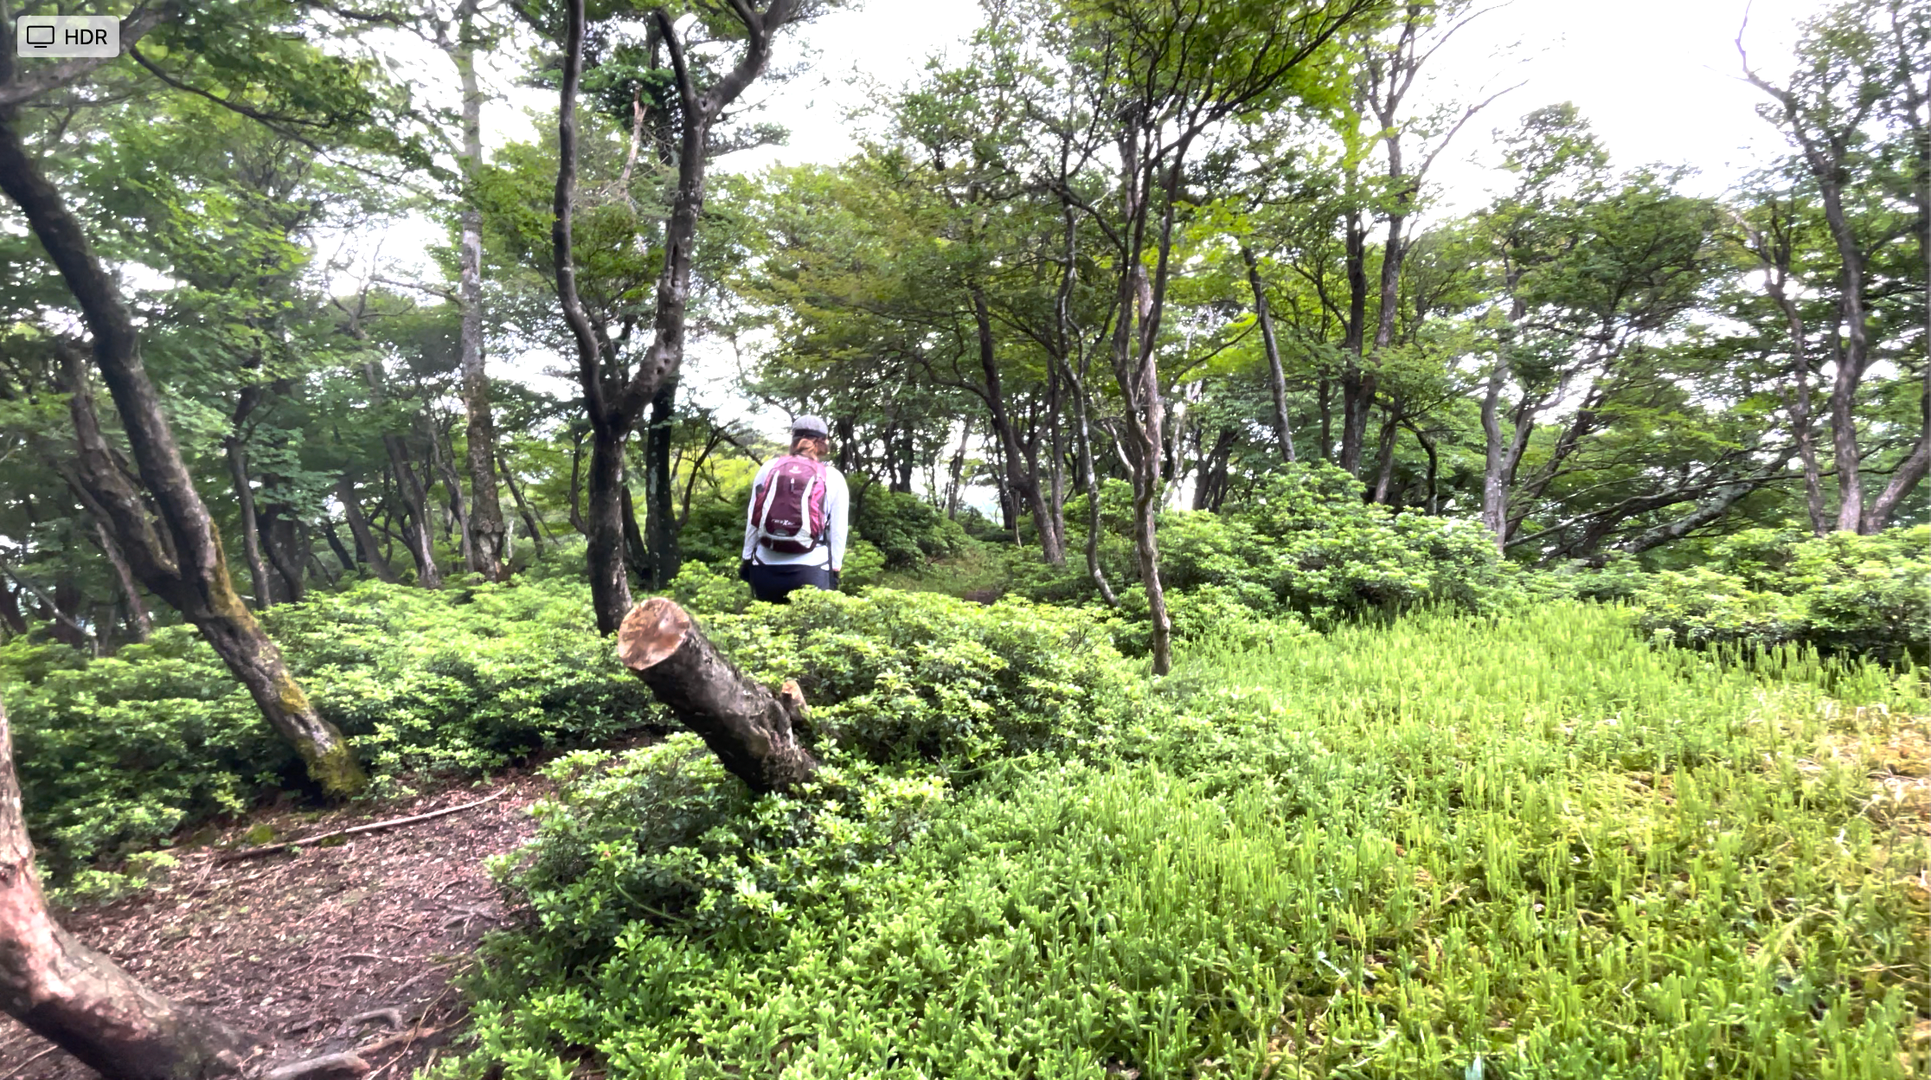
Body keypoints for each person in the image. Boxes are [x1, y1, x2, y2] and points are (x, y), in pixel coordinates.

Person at [739, 415, 848, 603]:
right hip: (812, 569)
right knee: (809, 623)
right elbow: (838, 530)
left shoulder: (768, 468)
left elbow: (753, 519)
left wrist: (747, 558)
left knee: (764, 621)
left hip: (764, 567)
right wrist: (835, 570)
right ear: (823, 443)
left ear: (794, 439)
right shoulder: (833, 477)